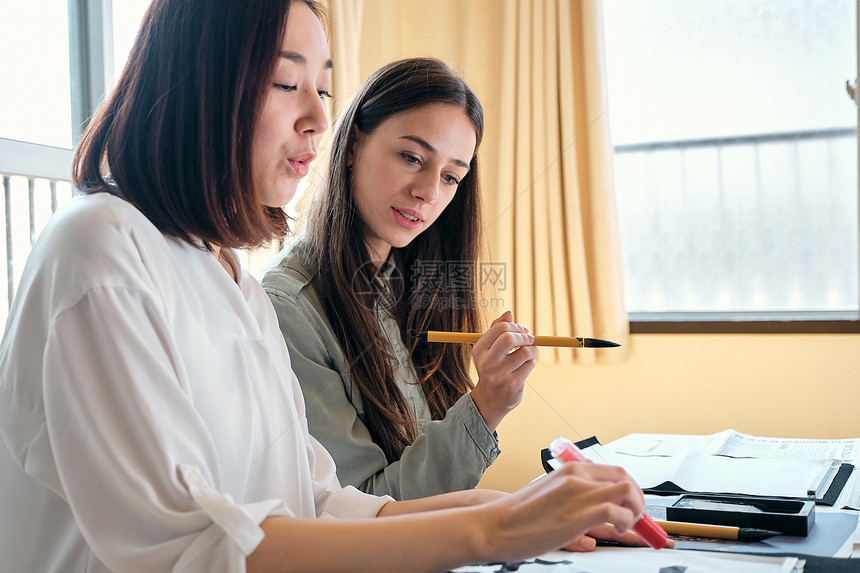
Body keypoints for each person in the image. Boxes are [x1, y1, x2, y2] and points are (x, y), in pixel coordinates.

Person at [0, 1, 658, 572]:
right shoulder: (102, 248)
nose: (318, 115)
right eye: (287, 82)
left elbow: (317, 500)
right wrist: (497, 527)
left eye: (323, 86)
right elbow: (190, 550)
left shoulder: (229, 276)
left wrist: (520, 507)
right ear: (197, 82)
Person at [262, 57, 537, 500]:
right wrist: (486, 407)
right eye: (412, 157)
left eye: (451, 177)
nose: (429, 192)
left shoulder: (406, 283)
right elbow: (365, 506)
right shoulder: (288, 309)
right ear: (352, 145)